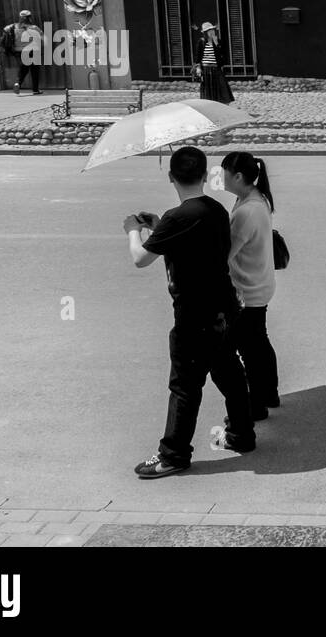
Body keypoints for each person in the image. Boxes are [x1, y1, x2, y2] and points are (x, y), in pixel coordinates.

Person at [125, 146, 255, 478]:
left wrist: (132, 230)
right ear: (204, 174)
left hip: (194, 317)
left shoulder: (177, 217)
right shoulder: (215, 209)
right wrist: (160, 227)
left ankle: (173, 455)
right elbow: (193, 245)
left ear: (171, 177)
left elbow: (140, 259)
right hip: (225, 309)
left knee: (185, 386)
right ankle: (242, 434)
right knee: (229, 373)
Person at [221, 151, 279, 421]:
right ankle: (269, 393)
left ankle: (255, 405)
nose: (220, 177)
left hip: (247, 289)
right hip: (261, 282)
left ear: (238, 176)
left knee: (246, 351)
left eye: (224, 173)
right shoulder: (256, 198)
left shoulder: (246, 211)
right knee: (258, 342)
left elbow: (225, 254)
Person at [1, 10, 42, 95]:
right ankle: (35, 89)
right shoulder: (34, 28)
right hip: (32, 51)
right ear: (29, 18)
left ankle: (18, 83)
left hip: (19, 52)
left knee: (24, 68)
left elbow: (5, 31)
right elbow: (41, 37)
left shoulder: (13, 27)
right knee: (35, 70)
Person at [194, 21, 234, 104]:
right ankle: (209, 104)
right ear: (205, 33)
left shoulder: (218, 41)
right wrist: (198, 68)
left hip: (216, 67)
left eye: (212, 30)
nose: (211, 32)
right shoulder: (201, 42)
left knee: (222, 86)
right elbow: (198, 57)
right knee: (208, 88)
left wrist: (217, 44)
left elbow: (223, 53)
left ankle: (224, 103)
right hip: (205, 68)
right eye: (209, 30)